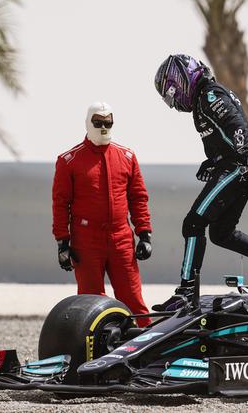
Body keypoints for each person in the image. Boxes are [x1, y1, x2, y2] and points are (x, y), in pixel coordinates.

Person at [153, 54, 248, 310]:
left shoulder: (209, 97)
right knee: (220, 233)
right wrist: (214, 160)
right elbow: (224, 135)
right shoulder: (204, 99)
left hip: (239, 166)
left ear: (181, 83)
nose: (175, 104)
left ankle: (186, 291)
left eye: (173, 95)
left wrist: (239, 157)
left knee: (193, 223)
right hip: (239, 165)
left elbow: (236, 126)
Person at [52, 102, 153, 327]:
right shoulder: (69, 160)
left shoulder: (127, 156)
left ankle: (147, 348)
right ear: (89, 123)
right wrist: (62, 243)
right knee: (90, 301)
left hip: (121, 237)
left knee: (134, 300)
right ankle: (95, 351)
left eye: (108, 122)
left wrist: (144, 234)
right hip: (86, 241)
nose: (104, 127)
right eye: (98, 123)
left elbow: (138, 197)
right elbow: (60, 203)